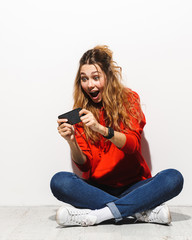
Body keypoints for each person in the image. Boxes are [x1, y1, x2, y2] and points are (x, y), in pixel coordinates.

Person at [51, 45, 184, 227]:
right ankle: (138, 211)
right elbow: (84, 165)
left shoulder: (129, 99)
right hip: (98, 189)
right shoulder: (81, 113)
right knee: (59, 182)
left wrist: (101, 129)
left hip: (135, 187)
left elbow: (133, 145)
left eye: (96, 77)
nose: (90, 85)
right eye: (84, 79)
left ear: (108, 76)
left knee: (173, 178)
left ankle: (99, 214)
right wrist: (71, 142)